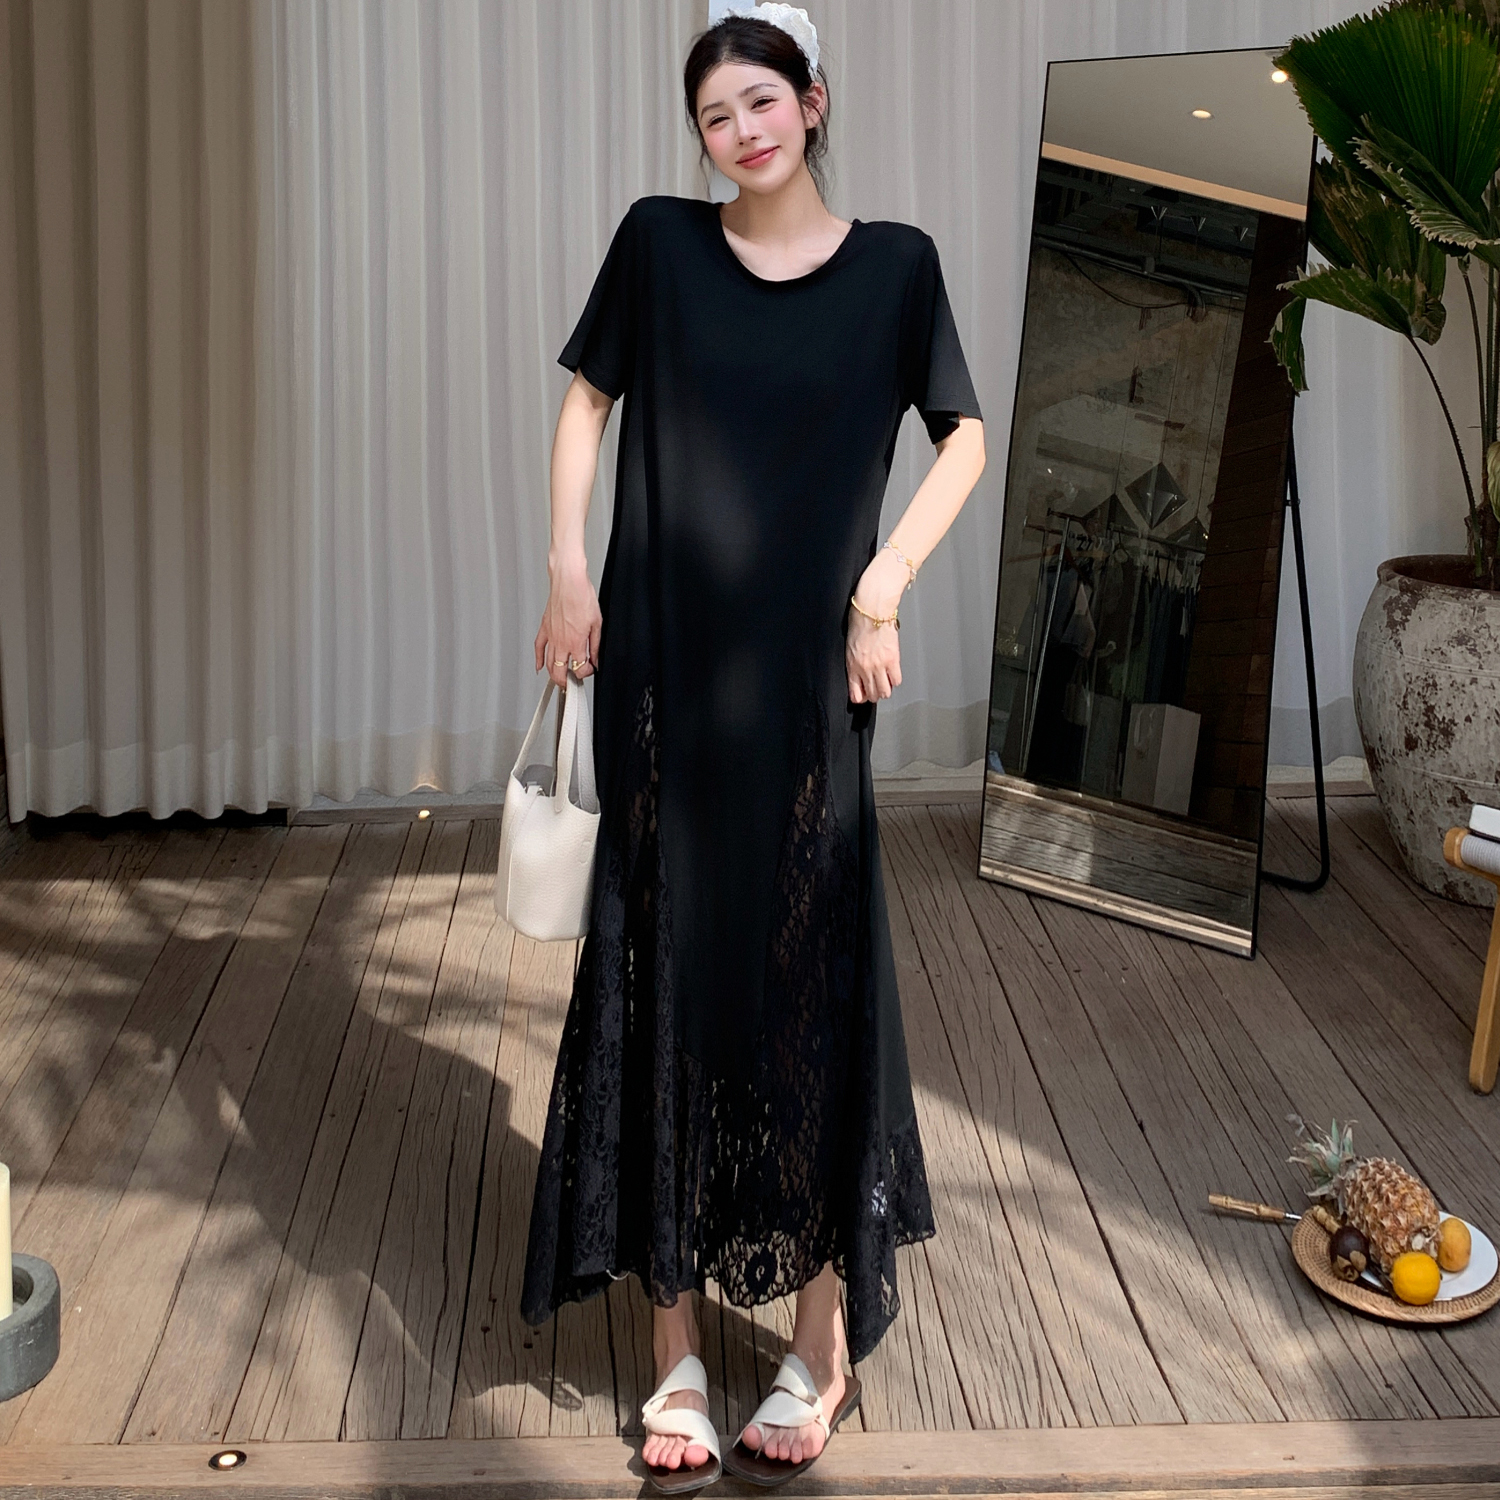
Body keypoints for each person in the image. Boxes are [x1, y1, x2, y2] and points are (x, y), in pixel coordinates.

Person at [519, 4, 985, 1490]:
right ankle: (670, 1348)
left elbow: (964, 437)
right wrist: (568, 571)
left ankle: (821, 1344)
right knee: (665, 978)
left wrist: (883, 583)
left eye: (762, 102)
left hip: (807, 688)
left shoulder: (897, 267)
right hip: (662, 672)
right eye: (715, 115)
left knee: (812, 993)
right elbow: (588, 403)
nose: (741, 133)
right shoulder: (658, 245)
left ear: (813, 101)